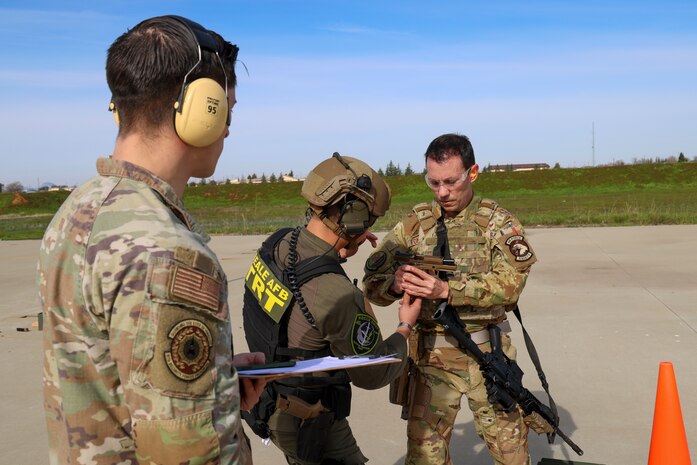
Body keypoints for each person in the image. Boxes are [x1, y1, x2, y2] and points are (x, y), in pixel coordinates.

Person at [37, 15, 265, 465]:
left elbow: (105, 376)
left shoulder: (78, 211)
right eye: (227, 111)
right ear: (203, 110)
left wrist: (212, 387)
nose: (228, 130)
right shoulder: (168, 250)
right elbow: (188, 453)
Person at [362, 133, 538, 465]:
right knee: (424, 457)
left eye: (451, 182)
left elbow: (512, 283)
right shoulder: (415, 226)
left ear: (473, 173)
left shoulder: (497, 222)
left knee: (511, 455)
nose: (442, 192)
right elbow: (371, 284)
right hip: (431, 359)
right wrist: (396, 284)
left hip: (488, 356)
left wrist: (446, 290)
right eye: (434, 182)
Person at [242, 153, 422, 465]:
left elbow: (301, 286)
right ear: (352, 215)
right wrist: (404, 327)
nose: (368, 227)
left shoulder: (278, 242)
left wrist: (344, 242)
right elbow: (374, 372)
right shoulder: (337, 294)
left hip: (269, 404)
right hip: (309, 420)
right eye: (367, 220)